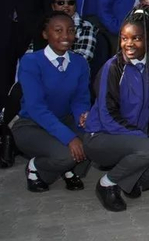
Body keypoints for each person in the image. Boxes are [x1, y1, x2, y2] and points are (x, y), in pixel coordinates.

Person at [84, 7, 149, 212]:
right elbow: (107, 116)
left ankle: (127, 181)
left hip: (132, 139)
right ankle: (106, 184)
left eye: (136, 38)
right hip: (101, 137)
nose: (128, 44)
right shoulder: (113, 67)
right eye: (124, 38)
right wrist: (143, 138)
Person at [12, 12, 91, 192]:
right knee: (67, 155)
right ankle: (36, 168)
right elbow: (36, 108)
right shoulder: (31, 61)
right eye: (58, 30)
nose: (66, 36)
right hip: (32, 124)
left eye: (70, 30)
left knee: (94, 141)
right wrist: (70, 138)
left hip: (64, 119)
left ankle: (68, 170)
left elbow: (80, 99)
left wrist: (83, 117)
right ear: (45, 34)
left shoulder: (79, 62)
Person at [25, 0, 98, 63]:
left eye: (70, 3)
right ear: (53, 6)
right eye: (61, 3)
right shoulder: (44, 24)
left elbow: (85, 56)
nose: (66, 6)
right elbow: (30, 54)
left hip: (72, 68)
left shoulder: (85, 26)